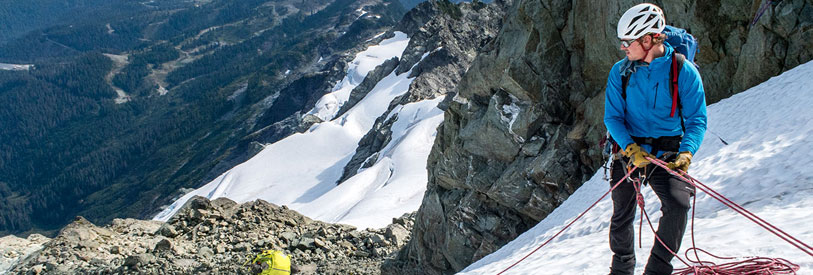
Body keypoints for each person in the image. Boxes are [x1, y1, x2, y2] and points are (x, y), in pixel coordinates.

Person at [603, 3, 708, 275]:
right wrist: (630, 148)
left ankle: (657, 270)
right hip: (629, 150)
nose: (623, 48)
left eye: (628, 42)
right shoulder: (620, 72)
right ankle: (622, 269)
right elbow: (612, 118)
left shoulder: (683, 71)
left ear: (648, 40)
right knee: (622, 213)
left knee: (678, 205)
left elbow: (697, 119)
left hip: (667, 153)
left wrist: (686, 153)